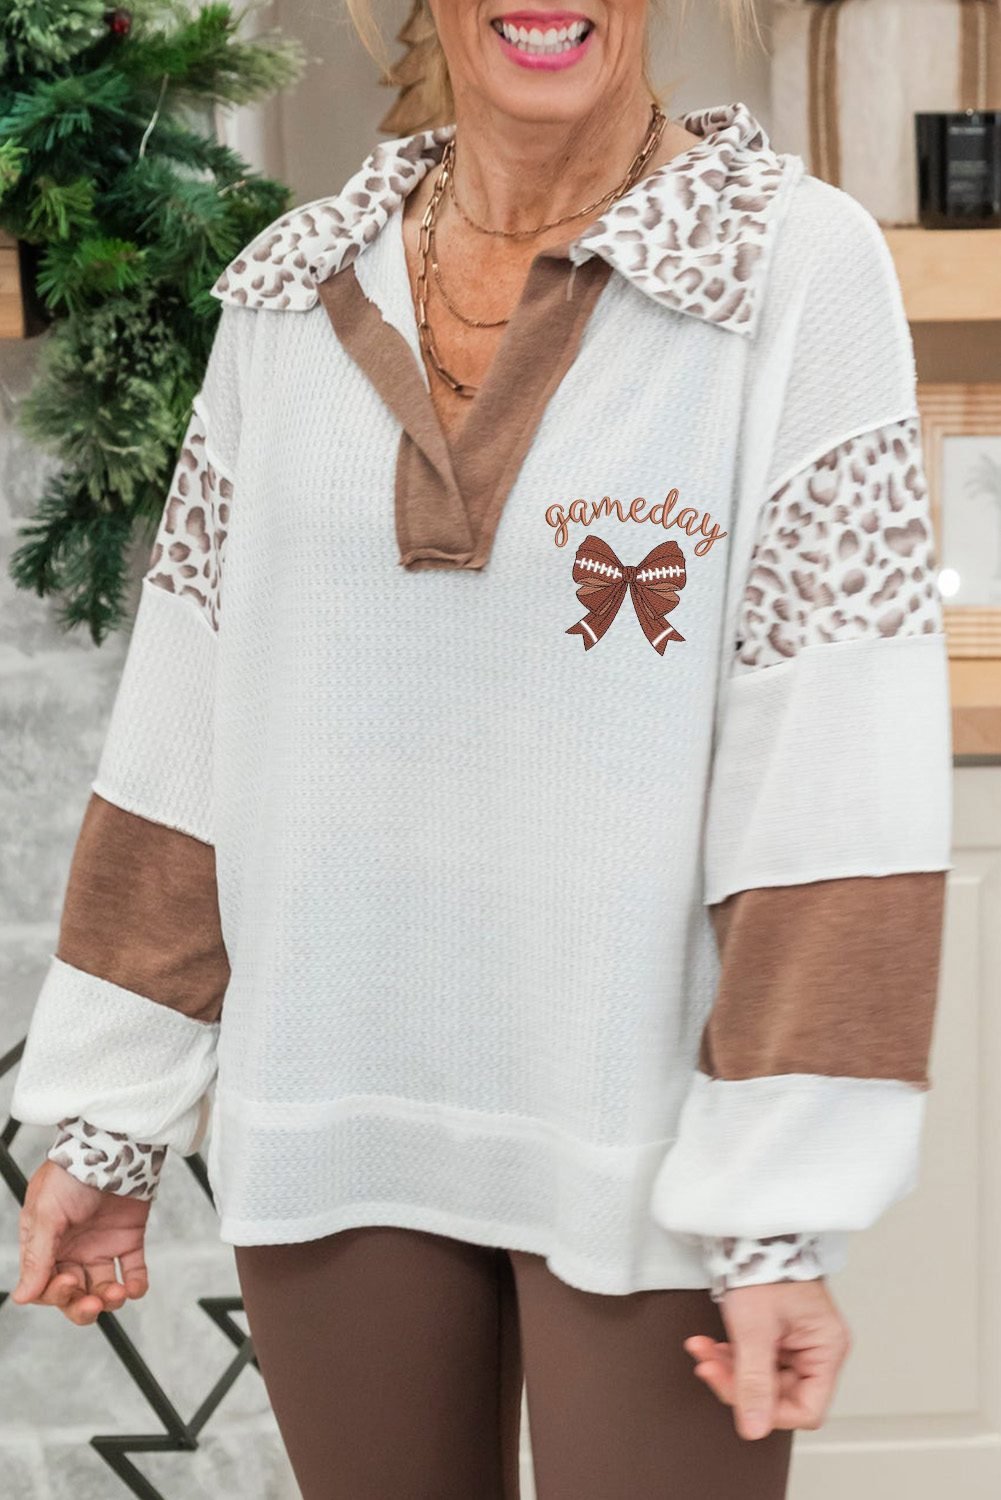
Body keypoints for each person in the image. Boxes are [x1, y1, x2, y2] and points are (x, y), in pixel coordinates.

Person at [10, 0, 953, 1495]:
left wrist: (779, 1203)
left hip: (645, 1141)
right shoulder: (291, 288)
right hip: (332, 1113)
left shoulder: (787, 268)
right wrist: (109, 1116)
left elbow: (835, 755)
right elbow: (191, 718)